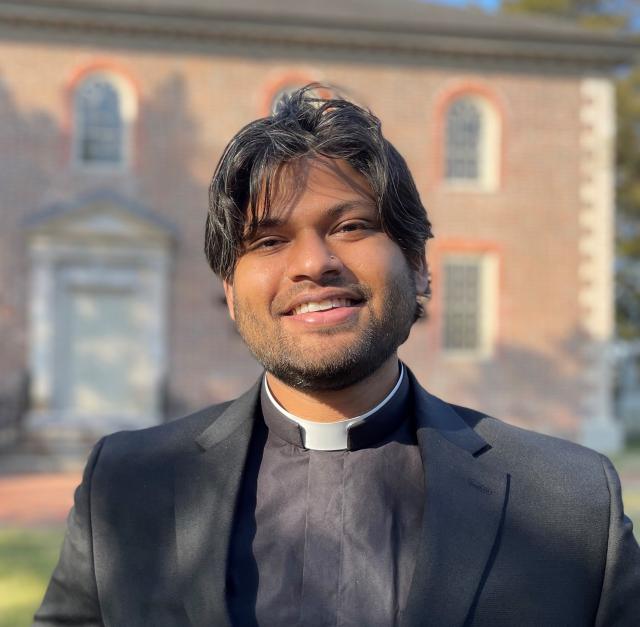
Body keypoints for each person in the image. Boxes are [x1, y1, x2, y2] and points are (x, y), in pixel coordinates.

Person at [35, 86, 640, 627]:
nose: (312, 263)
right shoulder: (124, 484)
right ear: (229, 291)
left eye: (351, 226)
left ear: (419, 265)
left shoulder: (570, 502)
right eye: (269, 241)